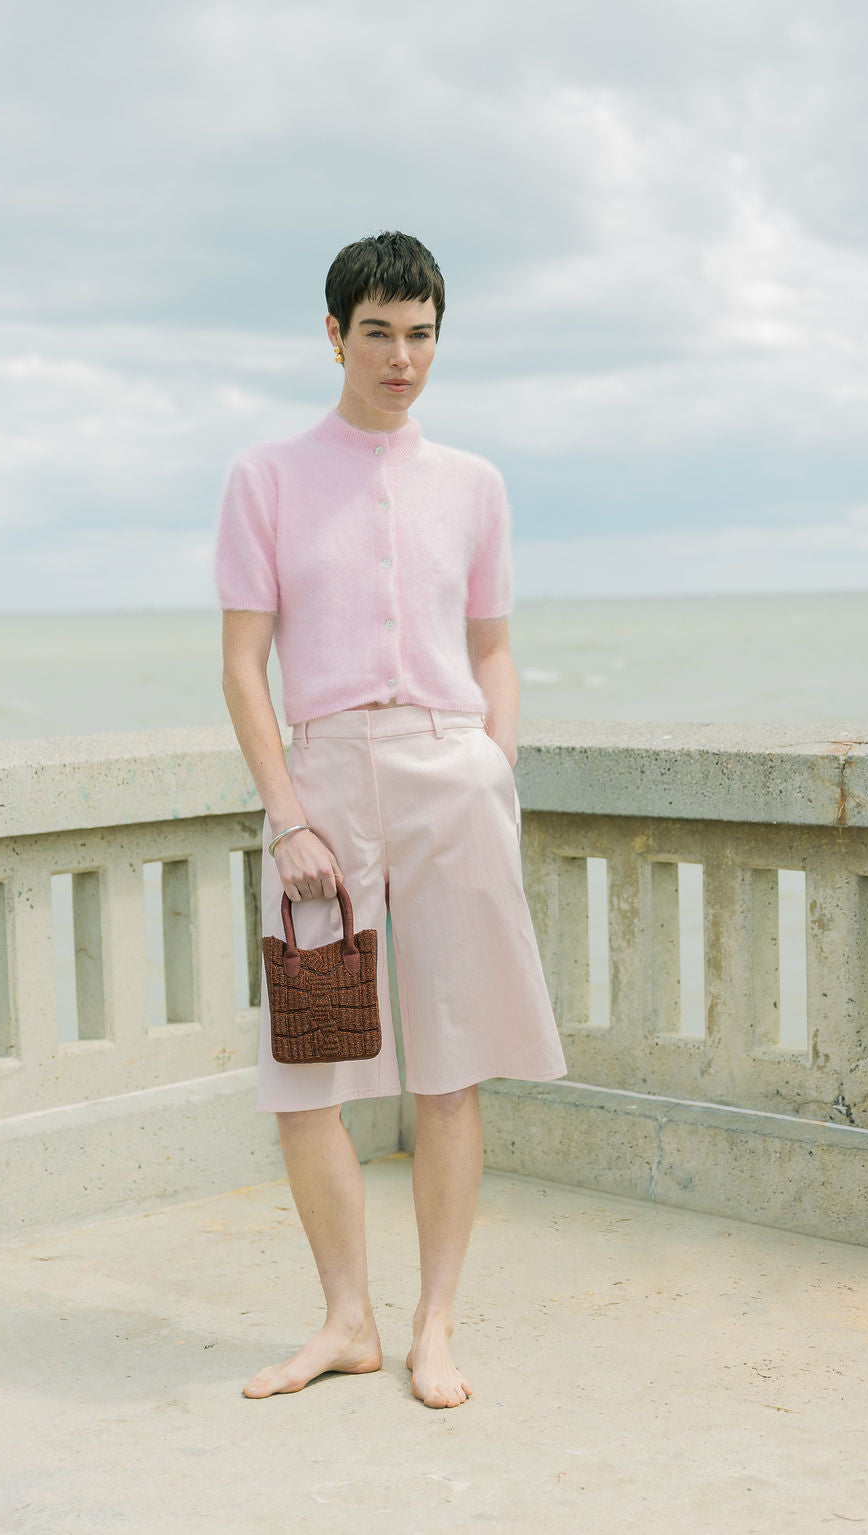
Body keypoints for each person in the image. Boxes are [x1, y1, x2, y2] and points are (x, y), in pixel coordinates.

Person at [214, 230, 567, 1410]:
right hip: (324, 777)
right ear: (333, 334)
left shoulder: (475, 484)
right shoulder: (265, 476)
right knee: (307, 1065)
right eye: (378, 332)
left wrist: (491, 772)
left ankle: (433, 1325)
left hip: (445, 769)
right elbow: (242, 666)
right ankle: (345, 1320)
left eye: (420, 335)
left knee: (451, 1066)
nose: (401, 356)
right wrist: (289, 813)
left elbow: (495, 647)